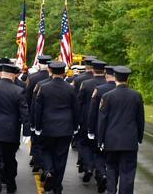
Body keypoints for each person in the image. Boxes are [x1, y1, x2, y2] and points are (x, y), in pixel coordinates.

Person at [0, 64, 30, 194]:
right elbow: (24, 113)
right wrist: (26, 131)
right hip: (10, 132)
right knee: (10, 160)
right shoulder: (18, 91)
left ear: (2, 73)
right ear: (13, 75)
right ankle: (11, 184)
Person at [97, 66, 145, 194]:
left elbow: (102, 120)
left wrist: (100, 140)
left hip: (111, 141)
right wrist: (139, 137)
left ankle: (111, 191)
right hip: (129, 141)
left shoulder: (107, 96)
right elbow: (140, 119)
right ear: (127, 79)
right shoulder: (136, 96)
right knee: (128, 173)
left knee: (111, 169)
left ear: (115, 77)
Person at [34, 61, 79, 194]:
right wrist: (76, 126)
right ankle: (57, 186)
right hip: (65, 128)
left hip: (47, 126)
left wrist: (37, 126)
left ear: (50, 70)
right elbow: (76, 109)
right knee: (61, 157)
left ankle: (48, 171)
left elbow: (38, 109)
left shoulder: (44, 88)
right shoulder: (71, 88)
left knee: (46, 150)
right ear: (64, 72)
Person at [87, 65, 116, 193]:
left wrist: (91, 129)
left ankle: (103, 174)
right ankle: (109, 181)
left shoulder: (99, 90)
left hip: (101, 129)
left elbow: (93, 112)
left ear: (106, 74)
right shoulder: (124, 90)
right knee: (113, 160)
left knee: (99, 156)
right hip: (117, 132)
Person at [77, 60, 107, 183]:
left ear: (93, 70)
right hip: (103, 122)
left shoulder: (85, 83)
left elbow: (79, 102)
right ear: (104, 71)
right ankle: (101, 172)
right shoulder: (108, 84)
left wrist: (78, 120)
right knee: (100, 148)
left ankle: (88, 167)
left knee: (85, 144)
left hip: (86, 120)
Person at [26, 55, 51, 172]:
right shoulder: (53, 78)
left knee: (35, 138)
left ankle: (37, 161)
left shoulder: (32, 78)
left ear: (39, 64)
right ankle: (43, 163)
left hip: (34, 112)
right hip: (49, 115)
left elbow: (27, 97)